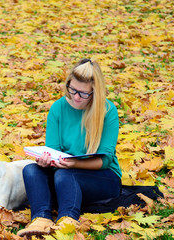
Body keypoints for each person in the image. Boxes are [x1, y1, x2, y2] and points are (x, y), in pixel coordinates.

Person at [17, 58, 122, 238]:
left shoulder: (107, 111)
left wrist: (73, 164)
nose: (75, 97)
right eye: (72, 90)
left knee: (65, 174)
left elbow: (105, 160)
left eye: (83, 93)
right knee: (31, 170)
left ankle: (68, 221)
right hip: (63, 171)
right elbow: (53, 150)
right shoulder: (58, 107)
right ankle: (41, 219)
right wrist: (46, 161)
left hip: (103, 178)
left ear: (95, 93)